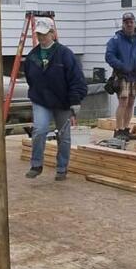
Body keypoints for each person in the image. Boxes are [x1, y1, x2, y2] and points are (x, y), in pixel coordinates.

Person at [23, 17, 87, 181]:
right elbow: (31, 79)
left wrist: (75, 101)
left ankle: (61, 168)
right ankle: (36, 164)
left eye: (44, 34)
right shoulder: (32, 56)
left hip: (63, 101)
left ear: (53, 33)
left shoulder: (65, 54)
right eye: (39, 34)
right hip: (41, 100)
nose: (41, 37)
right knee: (40, 129)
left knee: (64, 136)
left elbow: (76, 79)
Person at [105, 11, 136, 140]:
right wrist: (121, 65)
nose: (129, 24)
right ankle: (118, 130)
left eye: (131, 22)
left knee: (131, 102)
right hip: (122, 75)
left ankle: (126, 129)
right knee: (123, 102)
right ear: (123, 24)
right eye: (126, 22)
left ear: (135, 22)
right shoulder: (116, 40)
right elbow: (109, 56)